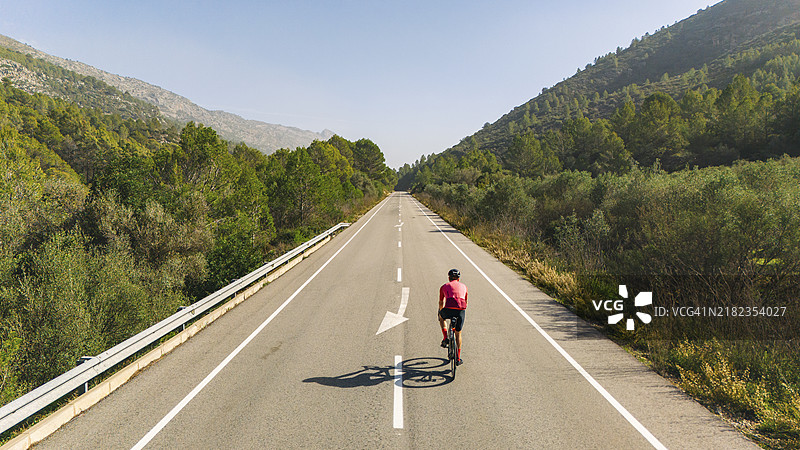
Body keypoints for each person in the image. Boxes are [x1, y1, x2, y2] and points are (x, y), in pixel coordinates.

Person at [438, 268, 467, 365]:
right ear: (458, 278)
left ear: (449, 278)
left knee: (441, 317)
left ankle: (445, 337)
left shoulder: (444, 286)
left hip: (448, 310)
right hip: (460, 311)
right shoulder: (464, 286)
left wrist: (440, 310)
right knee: (458, 333)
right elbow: (465, 301)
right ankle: (458, 358)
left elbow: (441, 302)